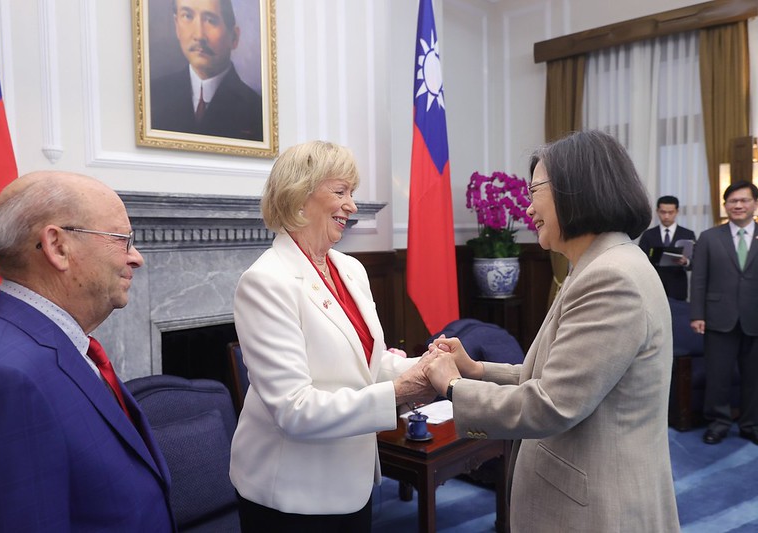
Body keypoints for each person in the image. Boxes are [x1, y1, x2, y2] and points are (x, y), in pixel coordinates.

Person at [422, 130, 680, 531]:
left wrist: (455, 387)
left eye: (534, 191)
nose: (528, 207)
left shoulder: (611, 278)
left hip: (598, 509)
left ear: (576, 190)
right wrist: (476, 369)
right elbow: (563, 376)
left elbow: (552, 403)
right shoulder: (601, 264)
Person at [228, 141, 435, 532]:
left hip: (350, 483)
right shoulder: (265, 281)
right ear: (298, 197)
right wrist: (401, 391)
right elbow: (295, 409)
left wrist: (425, 366)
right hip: (291, 495)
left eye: (352, 194)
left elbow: (366, 362)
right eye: (340, 192)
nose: (352, 206)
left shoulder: (350, 269)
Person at [0, 171, 175, 531]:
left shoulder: (57, 342)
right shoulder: (0, 377)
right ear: (58, 247)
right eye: (122, 240)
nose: (136, 257)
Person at [690, 180, 758, 446]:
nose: (738, 205)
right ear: (725, 205)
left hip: (755, 317)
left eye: (744, 200)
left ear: (754, 204)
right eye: (732, 201)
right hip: (718, 318)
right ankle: (718, 423)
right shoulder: (709, 237)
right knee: (718, 376)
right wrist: (697, 314)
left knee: (754, 377)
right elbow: (698, 279)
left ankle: (751, 424)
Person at [151, 0, 263, 141]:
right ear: (176, 26)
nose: (199, 35)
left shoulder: (257, 110)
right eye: (187, 16)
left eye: (210, 20)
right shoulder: (154, 95)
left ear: (234, 37)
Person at [638, 195, 696, 301]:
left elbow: (695, 262)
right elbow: (640, 260)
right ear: (657, 211)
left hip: (678, 286)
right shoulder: (648, 235)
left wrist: (685, 261)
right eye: (663, 212)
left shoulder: (687, 234)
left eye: (670, 212)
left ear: (677, 211)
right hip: (654, 285)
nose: (666, 216)